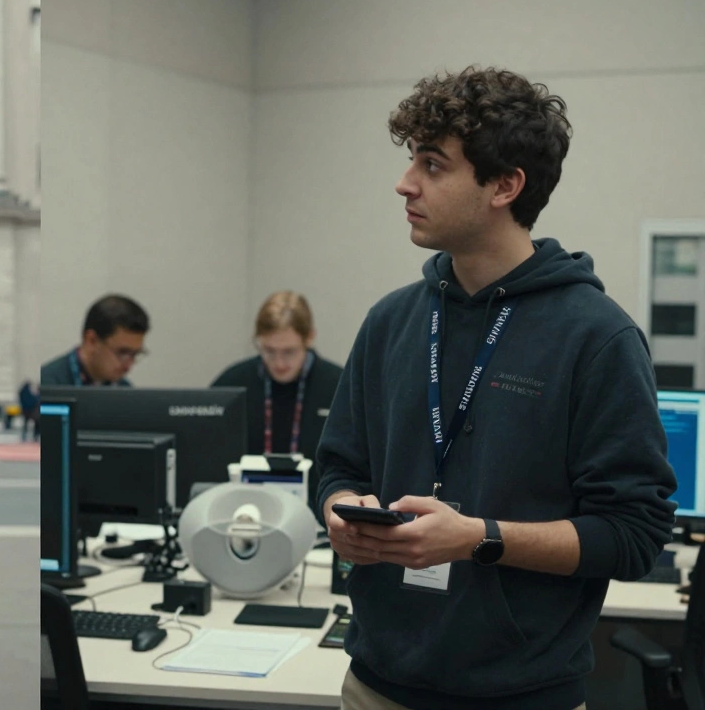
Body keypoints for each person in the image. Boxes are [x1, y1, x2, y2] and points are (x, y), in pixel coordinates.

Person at [316, 66, 677, 710]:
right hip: (375, 684)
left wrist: (478, 538)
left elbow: (632, 534)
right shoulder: (392, 321)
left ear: (505, 186)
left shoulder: (597, 336)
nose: (404, 184)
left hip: (520, 694)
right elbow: (338, 467)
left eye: (432, 165)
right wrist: (341, 514)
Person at [210, 291, 341, 519]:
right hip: (242, 515)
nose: (280, 363)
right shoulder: (233, 383)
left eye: (289, 352)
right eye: (269, 351)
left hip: (318, 521)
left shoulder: (338, 385)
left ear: (309, 338)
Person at [41, 294, 149, 386]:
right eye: (123, 353)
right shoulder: (47, 385)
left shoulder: (125, 390)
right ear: (91, 341)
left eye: (135, 354)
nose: (128, 366)